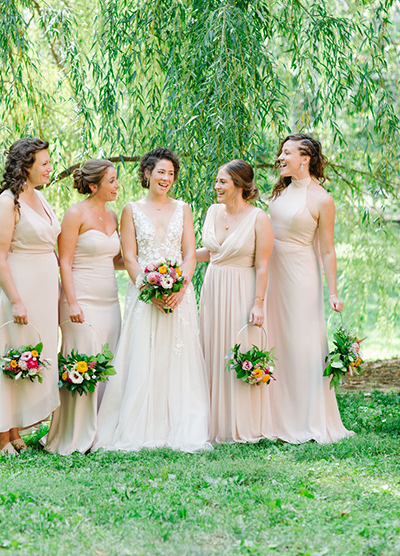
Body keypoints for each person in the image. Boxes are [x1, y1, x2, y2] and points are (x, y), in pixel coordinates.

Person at [93, 147, 210, 452]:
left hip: (178, 294)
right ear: (147, 173)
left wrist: (180, 288)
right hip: (143, 294)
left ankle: (179, 425)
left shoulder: (183, 209)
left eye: (171, 174)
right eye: (161, 172)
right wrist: (148, 288)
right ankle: (136, 424)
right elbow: (130, 257)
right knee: (142, 355)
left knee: (177, 357)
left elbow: (189, 254)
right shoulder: (131, 210)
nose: (166, 178)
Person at [0, 138, 61, 455]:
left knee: (29, 356)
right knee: (11, 355)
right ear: (26, 166)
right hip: (16, 288)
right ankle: (1, 434)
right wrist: (16, 300)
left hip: (43, 291)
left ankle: (16, 428)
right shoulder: (8, 202)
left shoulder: (40, 199)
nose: (50, 167)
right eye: (45, 163)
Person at [267, 133, 353, 443]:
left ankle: (306, 417)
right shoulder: (280, 192)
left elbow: (327, 249)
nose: (281, 157)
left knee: (302, 343)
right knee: (275, 339)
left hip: (300, 275)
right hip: (270, 273)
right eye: (281, 151)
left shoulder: (321, 199)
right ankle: (272, 415)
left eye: (287, 152)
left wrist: (333, 291)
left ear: (305, 158)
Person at [45, 159, 122, 455]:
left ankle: (102, 430)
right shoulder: (75, 214)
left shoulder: (113, 216)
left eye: (116, 180)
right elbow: (64, 260)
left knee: (106, 364)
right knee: (82, 361)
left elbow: (112, 259)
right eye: (111, 181)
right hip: (81, 300)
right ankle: (74, 433)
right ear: (94, 186)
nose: (117, 186)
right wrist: (72, 302)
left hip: (110, 300)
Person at [197, 160, 274, 443]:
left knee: (237, 351)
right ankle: (210, 424)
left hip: (241, 289)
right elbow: (210, 252)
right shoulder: (213, 211)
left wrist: (258, 303)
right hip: (213, 288)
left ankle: (241, 424)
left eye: (222, 182)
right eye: (216, 181)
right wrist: (175, 260)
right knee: (212, 350)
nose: (216, 187)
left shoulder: (259, 219)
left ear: (240, 186)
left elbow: (263, 266)